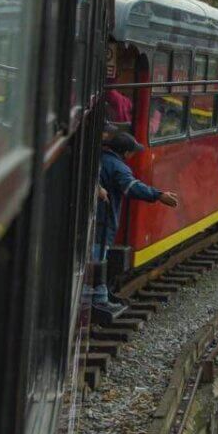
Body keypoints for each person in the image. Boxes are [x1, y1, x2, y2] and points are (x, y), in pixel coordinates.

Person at [92, 131, 179, 315]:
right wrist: (158, 195)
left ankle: (99, 295)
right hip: (103, 220)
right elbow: (132, 187)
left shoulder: (98, 159)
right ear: (125, 153)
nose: (133, 155)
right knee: (98, 257)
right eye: (132, 152)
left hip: (95, 220)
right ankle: (98, 300)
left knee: (94, 256)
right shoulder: (118, 167)